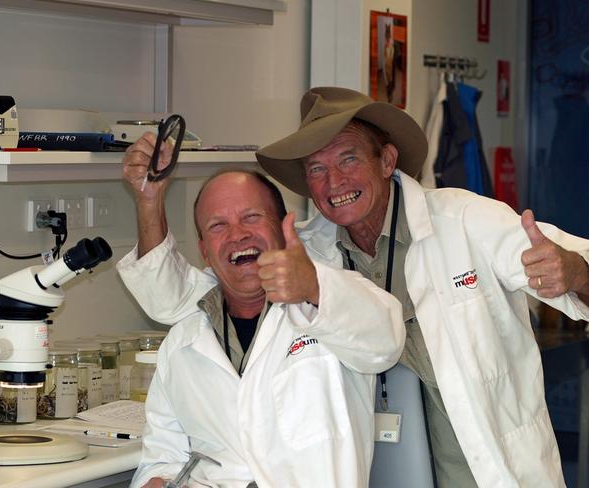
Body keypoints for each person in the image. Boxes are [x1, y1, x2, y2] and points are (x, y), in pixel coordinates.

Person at [118, 87, 589, 487]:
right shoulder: (304, 249)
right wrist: (148, 202)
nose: (334, 181)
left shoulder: (469, 221)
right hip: (381, 471)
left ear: (386, 160)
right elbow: (184, 299)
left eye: (347, 159)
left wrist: (576, 273)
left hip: (486, 470)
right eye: (317, 170)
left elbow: (576, 266)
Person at [120, 170, 405, 487]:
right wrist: (156, 480)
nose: (237, 234)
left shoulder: (330, 300)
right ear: (204, 250)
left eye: (251, 217)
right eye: (218, 226)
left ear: (285, 229)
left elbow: (385, 342)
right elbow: (162, 457)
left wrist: (312, 286)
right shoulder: (182, 343)